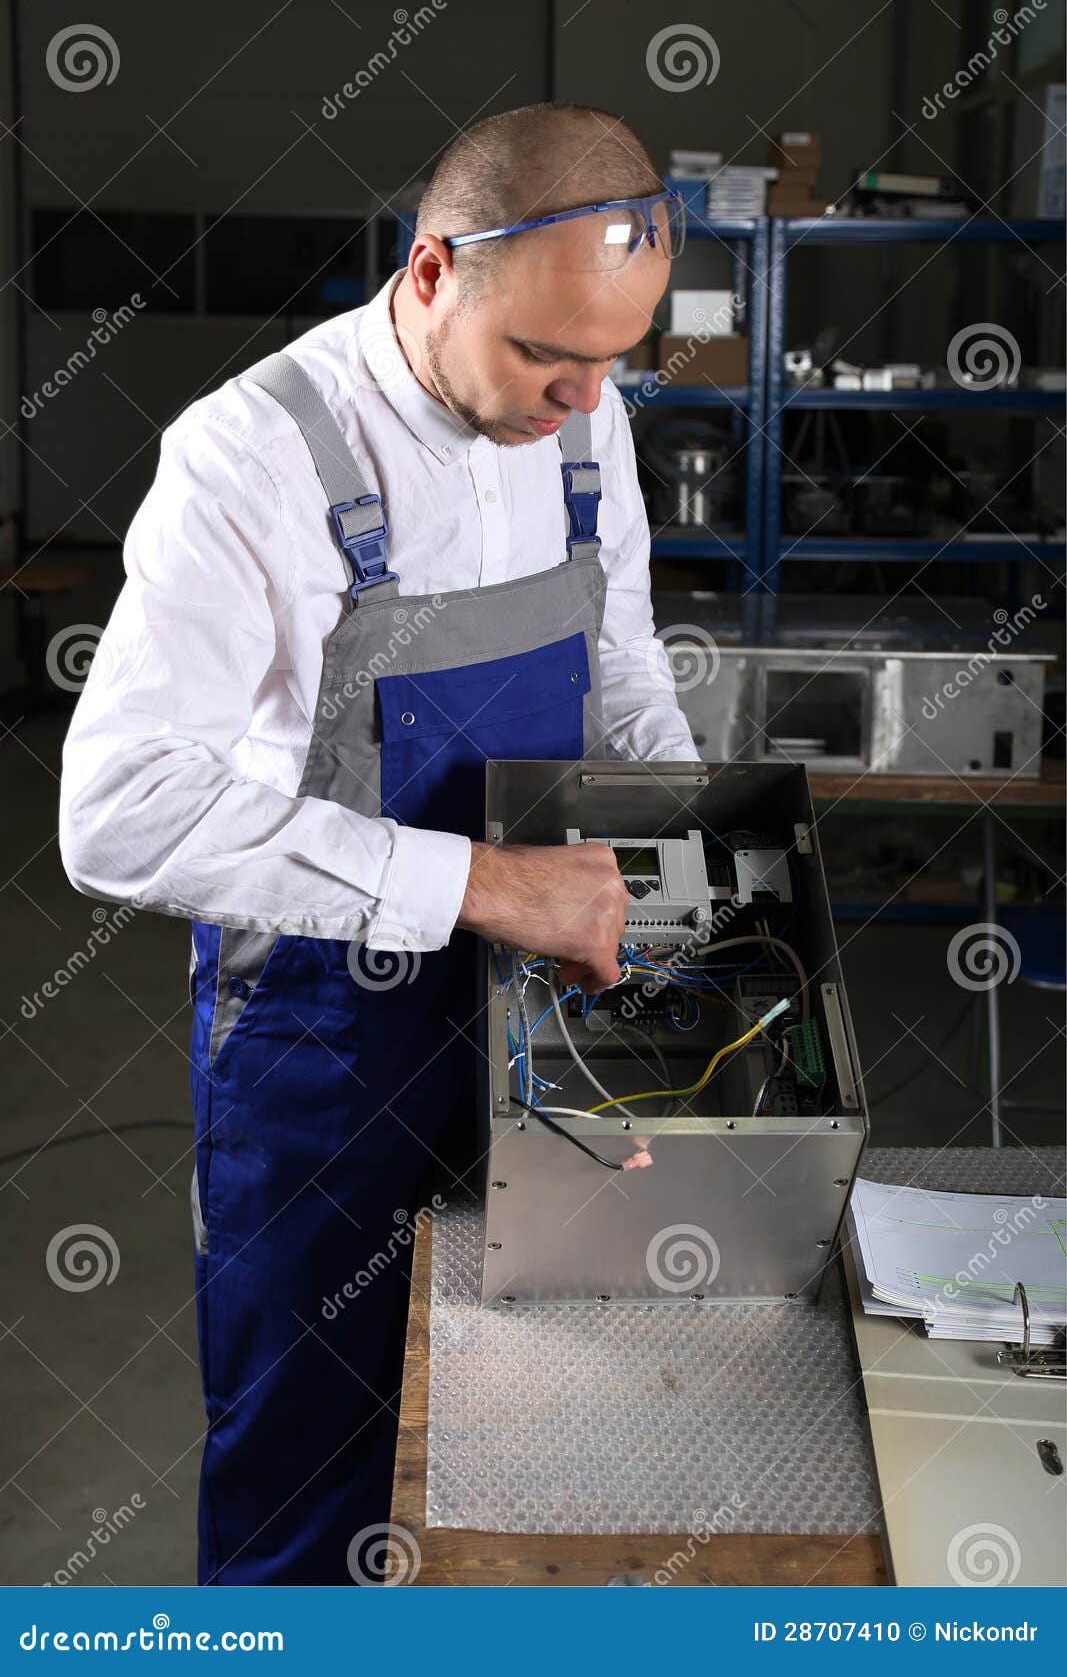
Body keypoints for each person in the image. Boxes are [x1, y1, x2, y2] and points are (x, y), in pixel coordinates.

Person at [58, 100, 699, 1585]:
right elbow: (119, 803)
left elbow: (625, 670)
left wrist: (688, 883)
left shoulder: (587, 425)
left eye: (614, 359)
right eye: (545, 356)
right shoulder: (252, 458)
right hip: (323, 1049)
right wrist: (485, 883)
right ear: (430, 274)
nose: (580, 399)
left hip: (537, 1020)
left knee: (540, 1438)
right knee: (314, 1469)